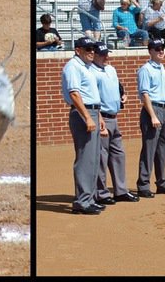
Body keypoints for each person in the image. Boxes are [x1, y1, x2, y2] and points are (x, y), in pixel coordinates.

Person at [60, 35, 107, 215]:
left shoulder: (85, 67)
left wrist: (98, 117)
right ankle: (82, 200)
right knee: (85, 159)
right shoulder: (73, 67)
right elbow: (74, 94)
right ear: (77, 50)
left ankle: (89, 198)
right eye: (88, 49)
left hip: (93, 112)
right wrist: (87, 117)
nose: (92, 52)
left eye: (93, 49)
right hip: (83, 113)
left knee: (94, 158)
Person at [92, 42, 139, 203]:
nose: (107, 57)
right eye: (103, 54)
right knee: (101, 157)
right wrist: (99, 120)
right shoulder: (92, 72)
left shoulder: (111, 69)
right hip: (102, 118)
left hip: (114, 117)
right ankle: (101, 193)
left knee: (118, 154)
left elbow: (118, 87)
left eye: (107, 54)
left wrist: (123, 96)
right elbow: (92, 98)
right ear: (94, 55)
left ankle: (120, 190)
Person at [135, 39, 165, 197]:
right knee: (149, 149)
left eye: (162, 48)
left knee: (162, 149)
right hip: (151, 109)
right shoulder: (145, 70)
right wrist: (153, 116)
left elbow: (163, 93)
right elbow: (144, 94)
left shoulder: (161, 68)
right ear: (150, 51)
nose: (161, 51)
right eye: (158, 48)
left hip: (163, 108)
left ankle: (162, 182)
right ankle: (143, 184)